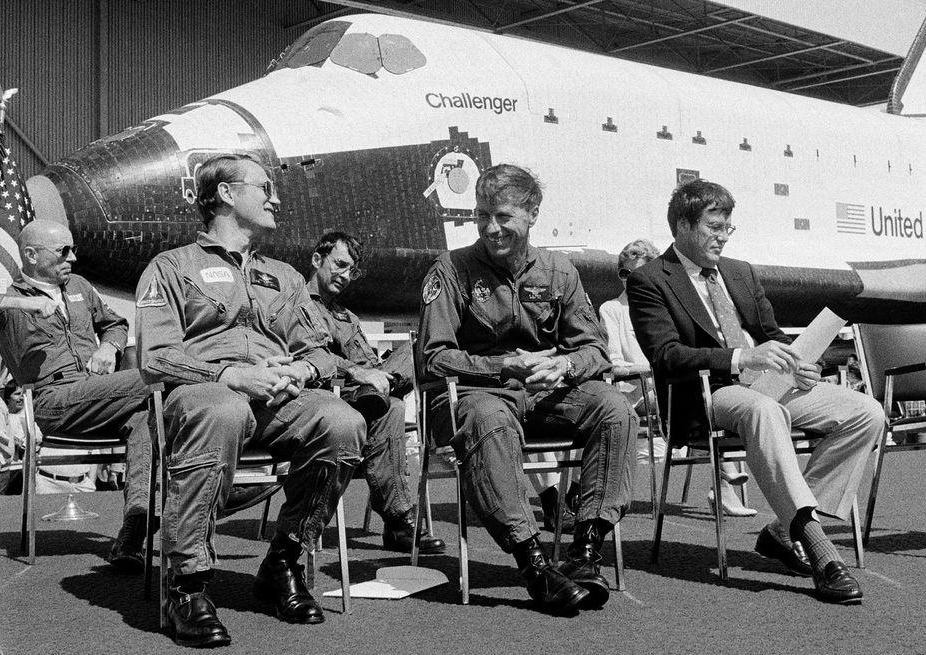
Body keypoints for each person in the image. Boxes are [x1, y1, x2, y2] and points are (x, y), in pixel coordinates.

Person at [135, 153, 363, 647]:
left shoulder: (286, 276)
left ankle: (283, 562)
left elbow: (324, 354)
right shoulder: (171, 267)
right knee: (224, 406)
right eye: (264, 187)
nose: (275, 197)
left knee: (342, 422)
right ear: (225, 194)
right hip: (203, 396)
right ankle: (187, 585)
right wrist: (232, 374)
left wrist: (300, 369)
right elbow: (154, 358)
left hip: (278, 400)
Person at [626, 179, 883, 605]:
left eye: (728, 227)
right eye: (714, 227)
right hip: (711, 393)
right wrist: (742, 358)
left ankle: (784, 532)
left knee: (865, 412)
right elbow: (667, 357)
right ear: (683, 226)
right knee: (763, 411)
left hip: (773, 385)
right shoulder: (650, 280)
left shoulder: (741, 272)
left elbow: (772, 335)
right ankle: (821, 552)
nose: (723, 236)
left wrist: (801, 362)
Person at [417, 163, 636, 614]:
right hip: (477, 393)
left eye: (503, 217)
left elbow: (595, 349)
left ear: (533, 213)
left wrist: (564, 365)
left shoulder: (559, 270)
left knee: (615, 409)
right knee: (489, 419)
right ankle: (533, 563)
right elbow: (434, 356)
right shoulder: (451, 269)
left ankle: (586, 551)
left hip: (545, 391)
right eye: (482, 216)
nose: (491, 228)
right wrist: (503, 366)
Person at [0, 219, 153, 571]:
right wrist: (22, 306)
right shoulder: (9, 292)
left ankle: (133, 533)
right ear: (32, 255)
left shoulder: (80, 286)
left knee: (147, 419)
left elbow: (115, 324)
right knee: (159, 376)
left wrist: (109, 349)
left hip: (99, 398)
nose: (73, 258)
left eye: (73, 250)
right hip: (52, 403)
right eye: (63, 251)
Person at [305, 230, 446, 555]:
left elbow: (366, 361)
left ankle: (385, 386)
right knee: (391, 407)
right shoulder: (295, 304)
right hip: (323, 398)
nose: (344, 276)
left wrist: (377, 374)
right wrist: (358, 372)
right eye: (339, 265)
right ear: (317, 260)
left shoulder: (346, 317)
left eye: (351, 270)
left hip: (360, 394)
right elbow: (308, 356)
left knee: (424, 345)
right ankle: (399, 522)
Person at [600, 239, 755, 516]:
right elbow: (613, 365)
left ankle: (724, 486)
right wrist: (655, 367)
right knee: (700, 399)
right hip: (637, 393)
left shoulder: (664, 305)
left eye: (637, 273)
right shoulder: (612, 309)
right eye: (624, 273)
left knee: (702, 394)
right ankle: (726, 476)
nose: (629, 280)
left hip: (670, 389)